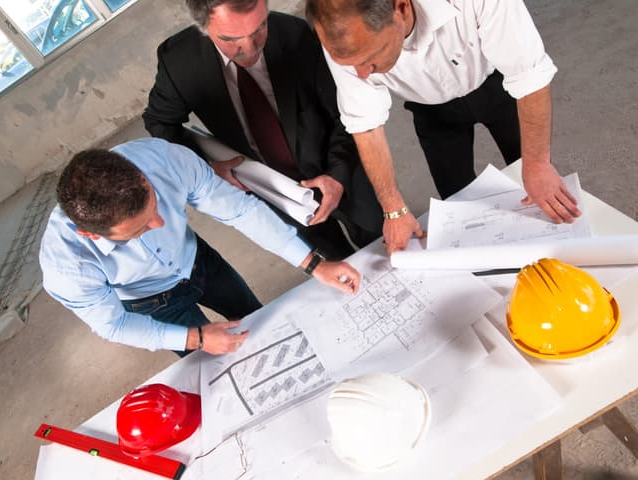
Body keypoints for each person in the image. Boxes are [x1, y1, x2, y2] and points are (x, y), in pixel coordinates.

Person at [305, 0, 582, 253]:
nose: (362, 74)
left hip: (497, 86)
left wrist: (537, 164)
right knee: (457, 201)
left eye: (371, 59)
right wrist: (393, 209)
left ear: (400, 8)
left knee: (537, 180)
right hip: (432, 111)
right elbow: (365, 125)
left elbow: (529, 76)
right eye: (351, 65)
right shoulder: (343, 37)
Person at [39, 138, 360, 356]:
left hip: (198, 261)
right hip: (151, 303)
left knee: (257, 320)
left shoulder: (163, 159)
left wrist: (314, 264)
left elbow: (241, 210)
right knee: (215, 360)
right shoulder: (67, 268)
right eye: (139, 229)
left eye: (156, 207)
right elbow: (115, 324)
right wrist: (197, 338)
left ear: (141, 177)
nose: (160, 224)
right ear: (92, 234)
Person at [142, 0, 383, 261]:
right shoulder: (177, 61)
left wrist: (338, 175)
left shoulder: (296, 34)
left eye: (259, 28)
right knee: (337, 260)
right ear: (203, 27)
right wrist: (205, 166)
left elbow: (345, 111)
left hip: (340, 169)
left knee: (381, 244)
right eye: (230, 38)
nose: (250, 48)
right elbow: (160, 121)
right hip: (277, 191)